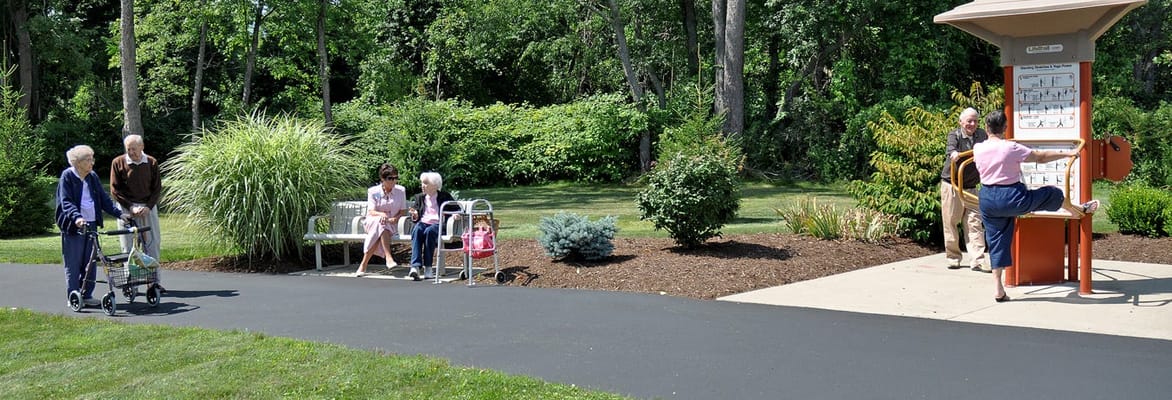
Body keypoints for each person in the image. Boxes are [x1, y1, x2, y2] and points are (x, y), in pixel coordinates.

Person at [973, 110, 1100, 303]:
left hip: (988, 199)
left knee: (997, 241)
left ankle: (998, 288)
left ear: (986, 127)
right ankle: (1077, 210)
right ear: (1005, 127)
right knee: (1052, 193)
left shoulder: (978, 148)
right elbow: (1040, 157)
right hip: (1012, 197)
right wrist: (1067, 153)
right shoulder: (1010, 147)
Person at [56, 145, 132, 307]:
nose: (92, 163)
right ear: (77, 162)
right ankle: (74, 296)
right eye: (88, 160)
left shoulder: (92, 176)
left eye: (92, 159)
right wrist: (77, 218)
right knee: (73, 263)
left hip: (91, 224)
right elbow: (66, 202)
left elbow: (104, 199)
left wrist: (120, 214)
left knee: (90, 262)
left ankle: (87, 295)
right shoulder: (67, 176)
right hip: (73, 225)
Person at [109, 134, 165, 292]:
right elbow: (115, 190)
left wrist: (148, 206)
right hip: (127, 209)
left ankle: (153, 283)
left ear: (142, 147)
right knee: (128, 246)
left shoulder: (151, 162)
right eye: (128, 149)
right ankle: (130, 283)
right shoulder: (118, 162)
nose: (131, 152)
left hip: (148, 208)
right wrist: (131, 207)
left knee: (152, 244)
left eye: (134, 149)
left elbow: (157, 188)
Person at [939, 108, 989, 272]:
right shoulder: (954, 135)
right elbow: (951, 148)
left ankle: (978, 260)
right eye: (969, 121)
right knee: (951, 222)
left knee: (975, 223)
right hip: (953, 184)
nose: (972, 124)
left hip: (971, 186)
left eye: (975, 121)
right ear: (961, 122)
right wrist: (954, 153)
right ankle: (953, 257)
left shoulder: (981, 135)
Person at [355, 163, 407, 276]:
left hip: (392, 223)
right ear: (382, 179)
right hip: (372, 221)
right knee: (380, 223)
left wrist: (395, 218)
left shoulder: (401, 191)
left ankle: (363, 265)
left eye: (396, 178)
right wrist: (381, 214)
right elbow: (371, 211)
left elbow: (403, 211)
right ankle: (388, 257)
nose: (394, 181)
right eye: (390, 178)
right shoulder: (373, 191)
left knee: (381, 226)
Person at [407, 172, 455, 281]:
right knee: (417, 229)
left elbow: (456, 209)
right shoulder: (419, 197)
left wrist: (455, 215)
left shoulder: (444, 196)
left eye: (425, 183)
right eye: (422, 183)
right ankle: (415, 267)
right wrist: (415, 214)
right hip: (423, 223)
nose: (422, 186)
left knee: (430, 231)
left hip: (438, 224)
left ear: (435, 185)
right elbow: (415, 214)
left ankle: (428, 267)